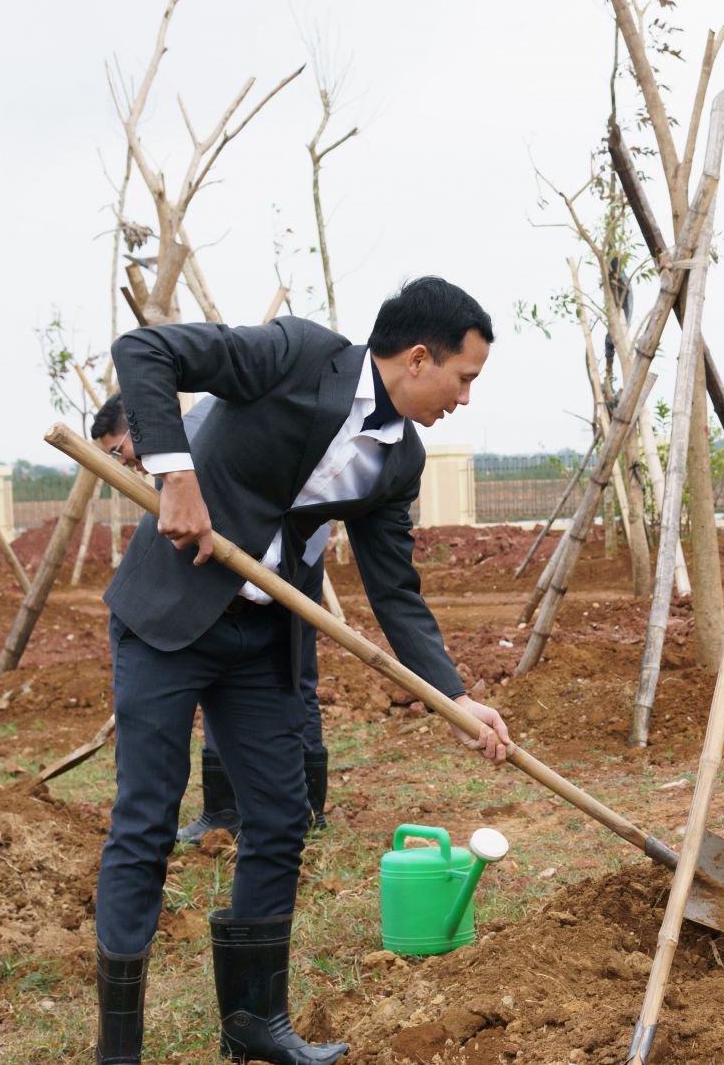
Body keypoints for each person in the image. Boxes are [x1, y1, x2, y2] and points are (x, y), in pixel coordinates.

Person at [89, 277, 512, 1065]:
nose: (465, 398)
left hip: (262, 637)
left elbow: (395, 590)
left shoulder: (400, 459)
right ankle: (119, 1050)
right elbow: (144, 350)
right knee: (146, 820)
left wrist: (453, 696)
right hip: (170, 617)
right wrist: (176, 474)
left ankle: (255, 1021)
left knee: (280, 818)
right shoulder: (296, 356)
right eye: (464, 377)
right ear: (420, 358)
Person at [92, 394, 332, 846]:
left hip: (284, 558)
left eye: (118, 451)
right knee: (280, 673)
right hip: (280, 553)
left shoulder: (189, 442)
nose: (125, 464)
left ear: (136, 427)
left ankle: (277, 810)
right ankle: (283, 811)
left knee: (274, 674)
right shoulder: (188, 437)